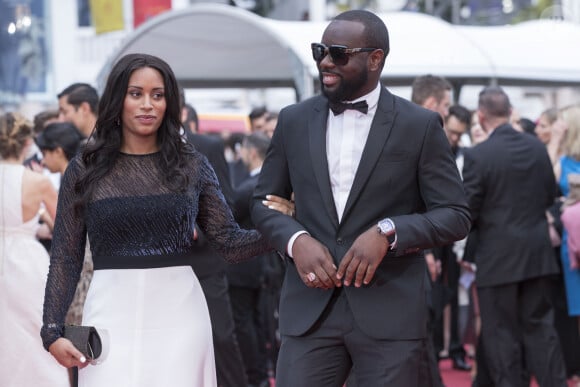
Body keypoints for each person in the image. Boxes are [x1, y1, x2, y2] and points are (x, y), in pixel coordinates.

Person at [251, 10, 471, 387]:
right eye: (320, 50)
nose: (324, 61)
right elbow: (262, 202)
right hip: (309, 310)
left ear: (375, 59)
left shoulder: (418, 124)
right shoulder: (293, 120)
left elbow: (455, 214)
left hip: (391, 311)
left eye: (338, 53)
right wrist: (295, 240)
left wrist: (388, 232)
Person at [41, 53, 269, 387]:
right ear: (118, 99)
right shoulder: (84, 169)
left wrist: (284, 228)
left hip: (181, 314)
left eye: (157, 95)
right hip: (109, 312)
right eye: (136, 94)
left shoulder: (191, 164)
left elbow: (228, 243)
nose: (148, 104)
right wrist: (51, 331)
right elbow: (65, 255)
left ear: (169, 102)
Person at [462, 86, 567, 386]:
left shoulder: (478, 156)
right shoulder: (536, 147)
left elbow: (469, 210)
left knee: (501, 335)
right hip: (537, 254)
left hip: (498, 260)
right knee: (541, 330)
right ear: (510, 113)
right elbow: (550, 194)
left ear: (481, 116)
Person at [179, 90, 250, 387]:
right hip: (156, 266)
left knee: (219, 337)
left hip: (204, 262)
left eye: (160, 96)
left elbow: (227, 203)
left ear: (180, 109)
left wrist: (197, 225)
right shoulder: (133, 150)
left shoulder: (206, 146)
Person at [0, 112, 67, 387]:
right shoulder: (38, 182)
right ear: (28, 142)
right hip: (28, 262)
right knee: (33, 329)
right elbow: (64, 229)